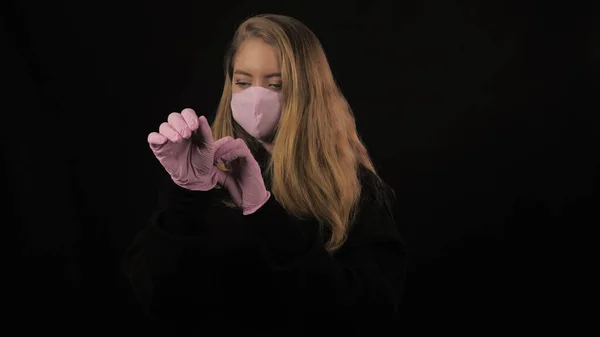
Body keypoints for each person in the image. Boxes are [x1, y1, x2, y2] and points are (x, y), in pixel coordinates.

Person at [121, 13, 407, 335]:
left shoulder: (352, 186)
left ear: (309, 90)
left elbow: (371, 312)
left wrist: (265, 214)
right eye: (243, 82)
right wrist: (184, 195)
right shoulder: (207, 170)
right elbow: (151, 297)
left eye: (276, 85)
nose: (256, 98)